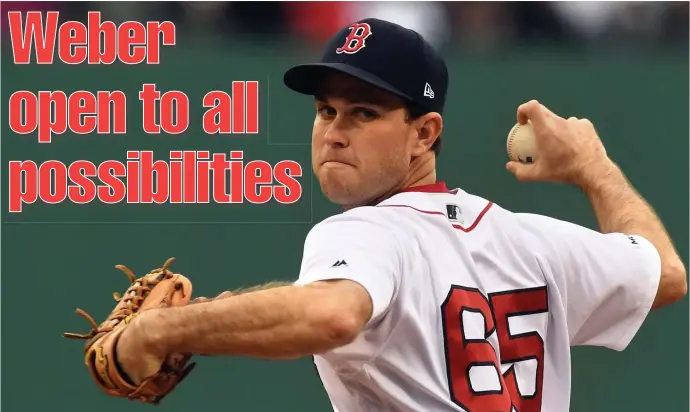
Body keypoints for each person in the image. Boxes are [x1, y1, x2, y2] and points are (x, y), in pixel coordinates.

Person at [114, 18, 687, 411]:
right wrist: (594, 167)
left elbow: (333, 314)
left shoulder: (365, 232)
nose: (334, 133)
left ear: (424, 134)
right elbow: (664, 272)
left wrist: (160, 330)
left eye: (364, 113)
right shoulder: (531, 242)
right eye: (325, 110)